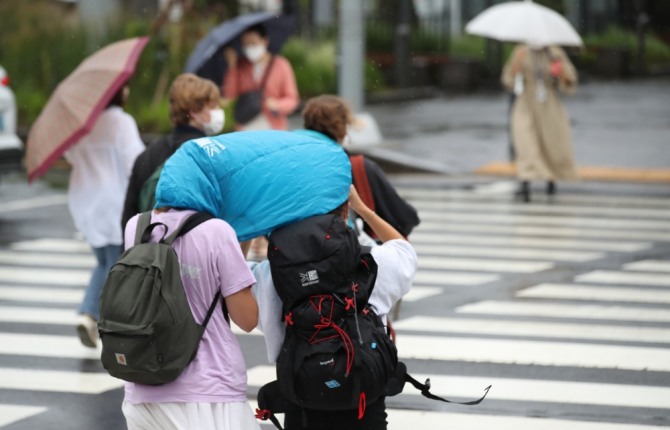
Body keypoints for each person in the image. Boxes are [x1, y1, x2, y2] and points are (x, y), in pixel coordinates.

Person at [251, 185, 418, 430]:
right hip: (364, 400)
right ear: (345, 211)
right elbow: (405, 251)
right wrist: (364, 210)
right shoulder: (372, 262)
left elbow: (235, 279)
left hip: (302, 400)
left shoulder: (272, 274)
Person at [121, 207, 260, 430]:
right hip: (210, 388)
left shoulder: (137, 226)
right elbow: (247, 319)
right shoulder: (217, 230)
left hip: (143, 386)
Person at [65, 84, 145, 348]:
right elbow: (135, 161)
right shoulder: (122, 122)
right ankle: (97, 317)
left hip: (86, 202)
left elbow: (69, 153)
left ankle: (92, 316)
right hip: (115, 202)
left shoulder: (84, 124)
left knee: (105, 262)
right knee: (116, 266)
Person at [300, 95, 420, 240]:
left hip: (289, 246)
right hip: (338, 248)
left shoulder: (288, 157)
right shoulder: (354, 166)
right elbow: (403, 217)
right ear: (342, 128)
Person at [122, 73, 224, 229]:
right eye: (213, 106)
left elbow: (129, 217)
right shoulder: (212, 153)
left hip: (152, 246)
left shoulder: (147, 155)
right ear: (194, 111)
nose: (218, 111)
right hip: (197, 246)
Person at [501, 44, 579, 202]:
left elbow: (570, 82)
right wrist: (515, 73)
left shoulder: (555, 53)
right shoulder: (521, 52)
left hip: (548, 103)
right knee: (525, 142)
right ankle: (525, 181)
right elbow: (507, 79)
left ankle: (551, 179)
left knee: (551, 142)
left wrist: (560, 74)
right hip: (525, 102)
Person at [223, 23, 300, 131]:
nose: (250, 48)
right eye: (246, 44)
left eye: (253, 43)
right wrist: (232, 66)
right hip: (246, 127)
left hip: (273, 127)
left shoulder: (281, 65)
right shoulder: (240, 66)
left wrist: (277, 105)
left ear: (264, 41)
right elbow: (229, 95)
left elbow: (292, 99)